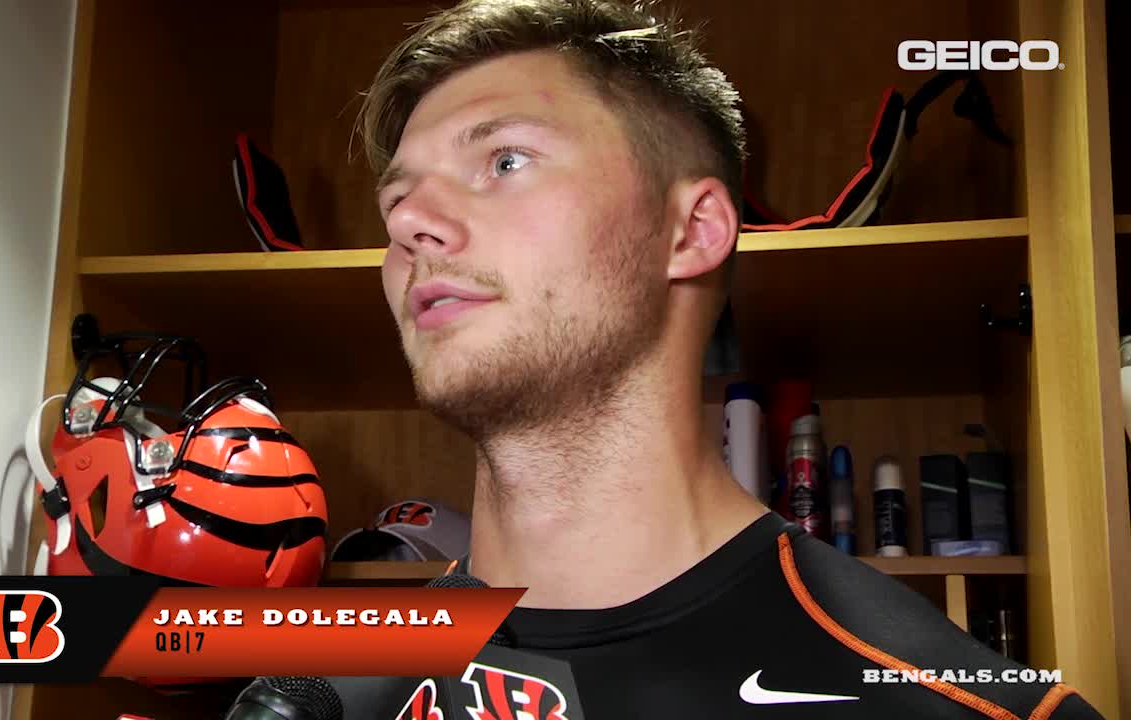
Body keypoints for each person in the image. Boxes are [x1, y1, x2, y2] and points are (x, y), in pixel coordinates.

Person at [356, 0, 1104, 717]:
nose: (412, 223)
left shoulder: (958, 707)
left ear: (692, 230)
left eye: (506, 161)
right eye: (398, 204)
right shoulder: (322, 688)